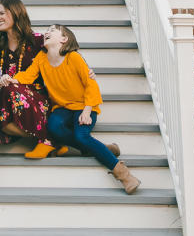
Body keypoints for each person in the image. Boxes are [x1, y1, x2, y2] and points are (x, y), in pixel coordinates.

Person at [12, 24, 141, 194]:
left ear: (64, 39)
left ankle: (124, 174)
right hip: (63, 107)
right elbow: (28, 76)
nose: (47, 32)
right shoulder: (41, 58)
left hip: (84, 105)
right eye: (46, 30)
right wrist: (11, 79)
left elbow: (91, 85)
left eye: (53, 30)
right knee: (53, 128)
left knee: (82, 136)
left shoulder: (74, 58)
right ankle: (102, 148)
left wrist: (88, 110)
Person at [0, 0, 55, 158]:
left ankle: (49, 139)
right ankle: (51, 139)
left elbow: (66, 55)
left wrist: (86, 71)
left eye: (2, 13)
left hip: (37, 97)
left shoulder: (39, 41)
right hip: (8, 99)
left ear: (16, 12)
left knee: (10, 88)